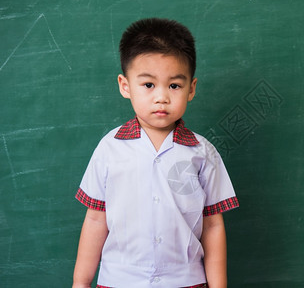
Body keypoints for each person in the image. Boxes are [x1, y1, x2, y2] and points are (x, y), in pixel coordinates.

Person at [73, 18, 239, 288]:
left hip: (185, 281)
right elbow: (95, 218)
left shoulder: (202, 152)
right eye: (148, 85)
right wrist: (80, 282)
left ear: (191, 89)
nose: (161, 97)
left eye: (174, 85)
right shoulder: (109, 147)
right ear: (125, 86)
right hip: (119, 281)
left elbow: (212, 226)